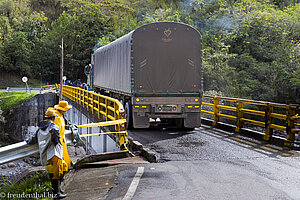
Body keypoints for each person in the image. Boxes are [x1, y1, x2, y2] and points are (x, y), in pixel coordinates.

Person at [36, 108, 67, 199]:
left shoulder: (41, 127)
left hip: (47, 152)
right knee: (57, 172)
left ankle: (58, 189)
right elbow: (56, 138)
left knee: (64, 167)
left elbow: (34, 138)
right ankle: (56, 193)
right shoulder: (53, 126)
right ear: (53, 118)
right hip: (54, 152)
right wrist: (57, 142)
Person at [53, 101, 72, 170]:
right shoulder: (57, 117)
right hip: (58, 140)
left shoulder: (59, 115)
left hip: (61, 139)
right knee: (59, 157)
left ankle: (64, 169)